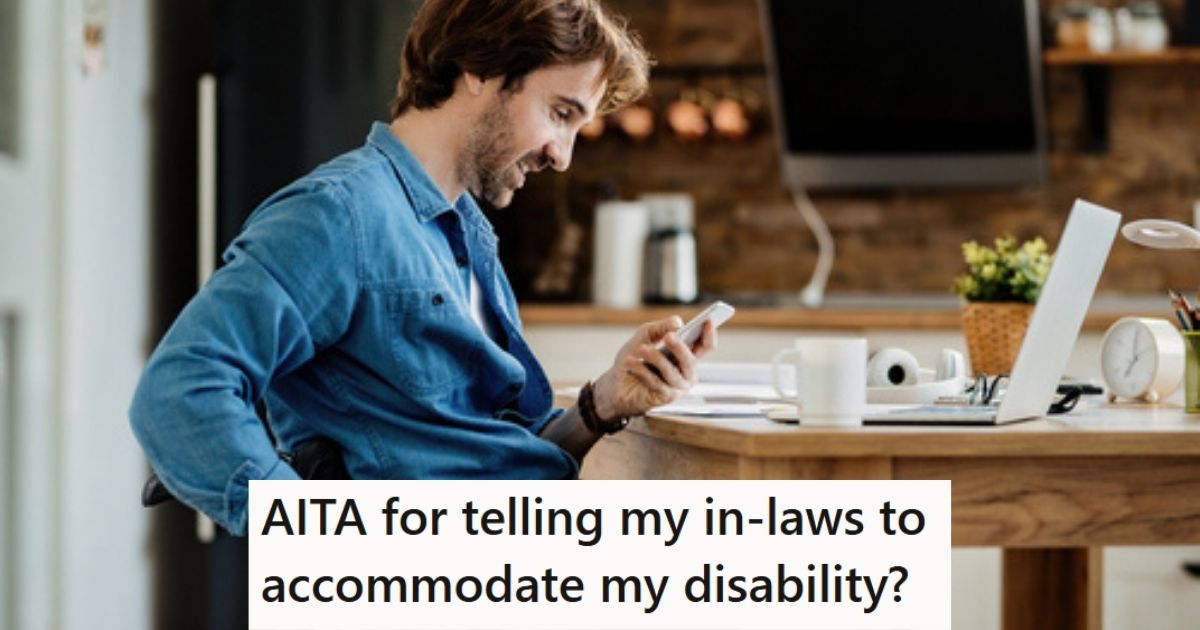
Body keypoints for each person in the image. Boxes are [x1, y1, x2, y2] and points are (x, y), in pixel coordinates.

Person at [129, 0, 717, 536]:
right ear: (481, 68)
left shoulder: (464, 234)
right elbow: (180, 392)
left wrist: (605, 402)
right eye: (560, 114)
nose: (562, 156)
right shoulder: (341, 214)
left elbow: (481, 455)